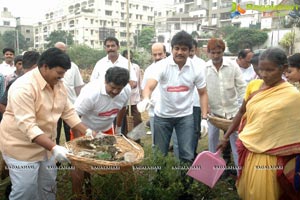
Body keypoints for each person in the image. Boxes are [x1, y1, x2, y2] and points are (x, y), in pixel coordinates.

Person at [0, 48, 95, 200]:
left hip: (46, 148)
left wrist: (88, 131)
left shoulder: (57, 83)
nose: (61, 77)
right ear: (44, 67)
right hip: (20, 147)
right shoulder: (23, 87)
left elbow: (68, 111)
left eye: (63, 74)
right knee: (25, 191)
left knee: (48, 187)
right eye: (59, 73)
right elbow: (28, 126)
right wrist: (54, 147)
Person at [218, 47, 300, 200]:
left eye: (270, 70)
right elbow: (242, 112)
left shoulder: (293, 96)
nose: (264, 74)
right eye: (261, 69)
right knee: (246, 192)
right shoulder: (254, 86)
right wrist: (226, 137)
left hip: (271, 157)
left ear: (283, 68)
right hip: (249, 152)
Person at [138, 31, 209, 163]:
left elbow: (203, 93)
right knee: (160, 153)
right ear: (172, 49)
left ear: (190, 51)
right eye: (177, 48)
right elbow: (149, 86)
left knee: (187, 154)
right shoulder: (162, 66)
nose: (180, 52)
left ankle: (185, 182)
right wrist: (146, 98)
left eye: (184, 49)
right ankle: (159, 182)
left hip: (185, 116)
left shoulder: (196, 68)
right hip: (163, 116)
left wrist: (204, 118)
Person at [71, 67, 131, 199]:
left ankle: (106, 190)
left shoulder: (126, 90)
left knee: (109, 161)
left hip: (106, 128)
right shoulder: (91, 93)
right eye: (112, 87)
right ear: (105, 81)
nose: (115, 91)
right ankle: (78, 195)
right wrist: (77, 142)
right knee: (79, 165)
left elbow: (122, 108)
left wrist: (119, 128)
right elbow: (73, 117)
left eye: (118, 89)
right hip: (83, 129)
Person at [204, 38, 246, 170]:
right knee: (212, 142)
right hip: (213, 114)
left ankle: (240, 175)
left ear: (223, 52)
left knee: (236, 145)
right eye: (213, 53)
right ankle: (213, 171)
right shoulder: (205, 68)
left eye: (218, 52)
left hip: (233, 113)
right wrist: (206, 108)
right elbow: (201, 91)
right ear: (208, 53)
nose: (216, 56)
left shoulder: (233, 66)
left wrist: (243, 107)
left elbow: (242, 87)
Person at [54, 42, 85, 144]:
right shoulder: (50, 67)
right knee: (54, 134)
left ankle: (71, 156)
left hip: (70, 105)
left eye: (64, 51)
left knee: (71, 133)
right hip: (54, 106)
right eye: (59, 51)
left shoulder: (73, 66)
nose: (62, 53)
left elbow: (78, 87)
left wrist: (80, 104)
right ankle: (55, 158)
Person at [120, 49, 142, 135]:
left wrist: (141, 94)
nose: (129, 60)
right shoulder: (121, 68)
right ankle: (125, 138)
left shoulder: (136, 67)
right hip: (124, 100)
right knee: (124, 121)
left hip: (134, 99)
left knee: (137, 120)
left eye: (131, 58)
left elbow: (139, 81)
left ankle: (137, 140)